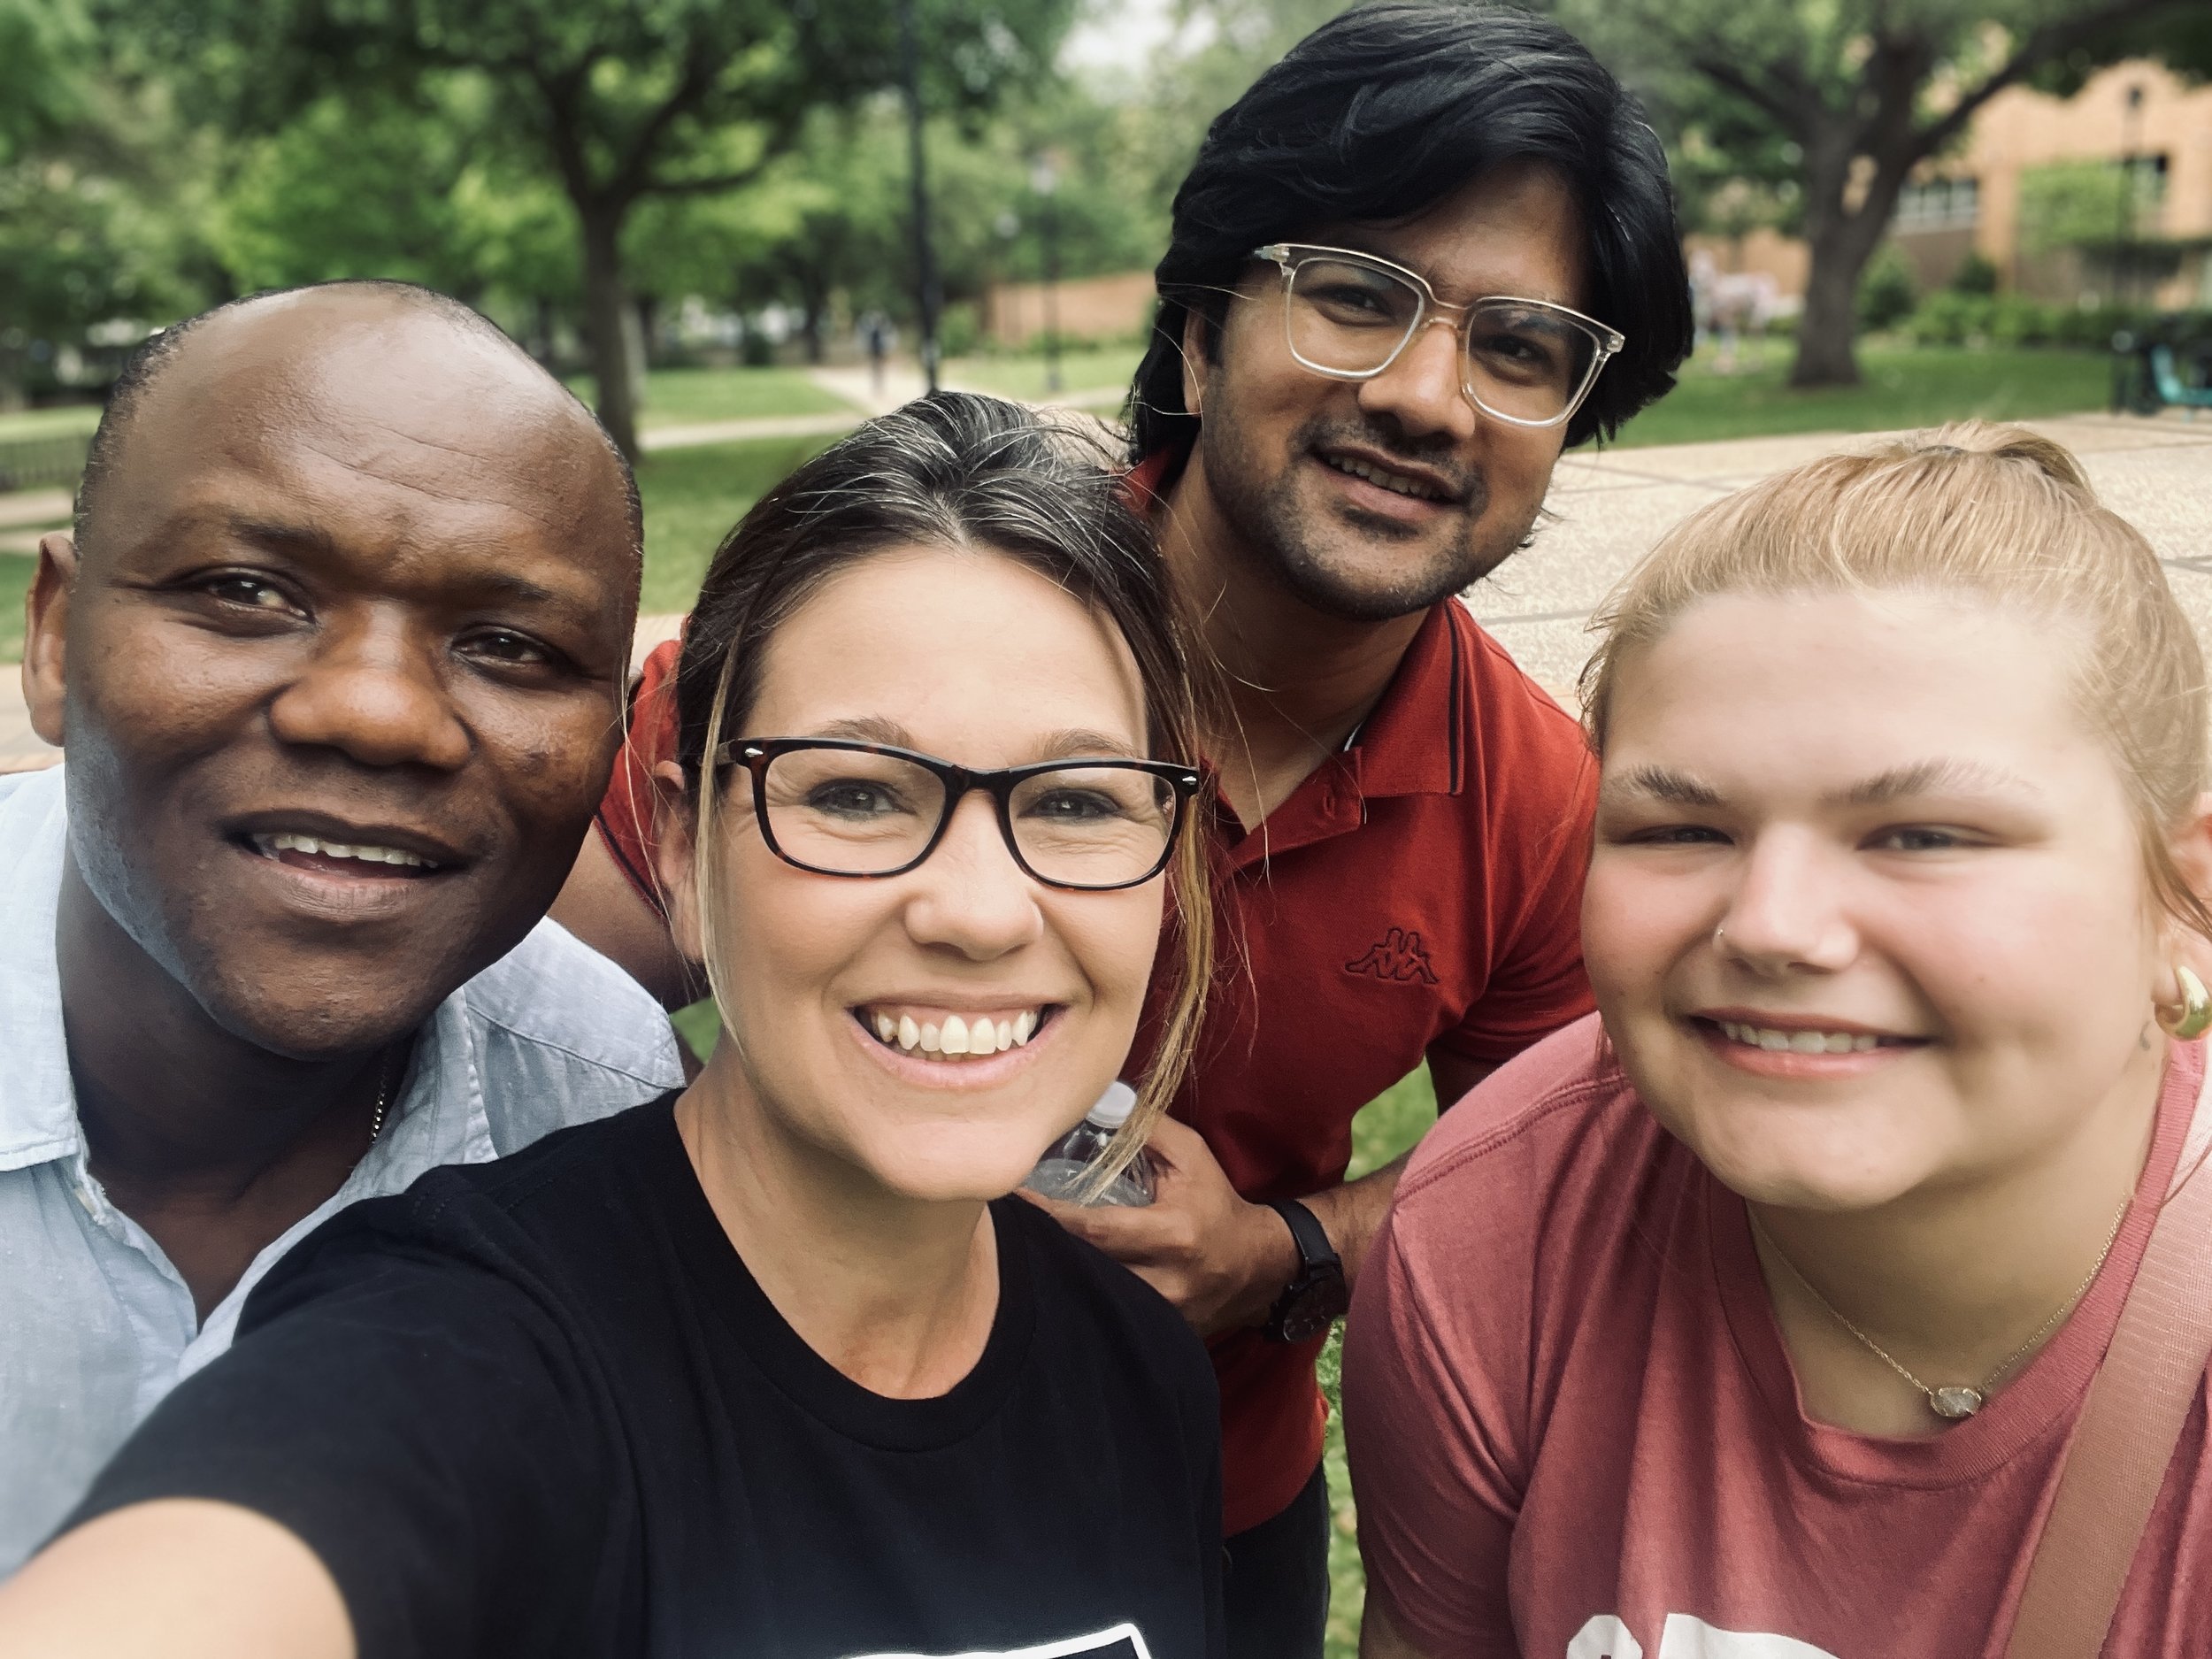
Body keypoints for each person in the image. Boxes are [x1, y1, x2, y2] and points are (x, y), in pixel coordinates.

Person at [557, 9, 1694, 1647]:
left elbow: (1547, 1172)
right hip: (742, 1462)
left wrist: (1283, 1251)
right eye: (1358, 296)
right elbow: (523, 1026)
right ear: (1196, 339)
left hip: (1197, 1487)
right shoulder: (880, 627)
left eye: (1522, 348)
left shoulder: (1534, 799)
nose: (1433, 396)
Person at [0, 394, 1226, 1659]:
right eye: (856, 793)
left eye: (1081, 802)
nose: (978, 910)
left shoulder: (1141, 1373)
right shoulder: (469, 1339)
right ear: (687, 850)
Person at [1343, 424, 2212, 1656]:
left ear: (2183, 894)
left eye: (1923, 834)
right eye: (1682, 832)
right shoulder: (1497, 1238)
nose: (1772, 927)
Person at [0, 281, 686, 1575]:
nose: (378, 715)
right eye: (249, 590)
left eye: (508, 643)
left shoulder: (610, 1118)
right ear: (53, 638)